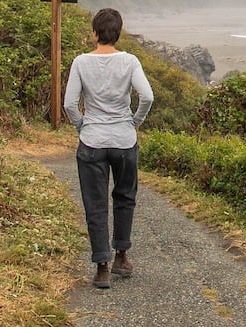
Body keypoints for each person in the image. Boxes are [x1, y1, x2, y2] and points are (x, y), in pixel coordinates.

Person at [64, 8, 153, 289]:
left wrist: (83, 126)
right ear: (118, 33)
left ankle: (101, 267)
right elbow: (147, 97)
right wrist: (133, 122)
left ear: (94, 33)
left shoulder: (81, 62)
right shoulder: (130, 61)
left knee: (96, 203)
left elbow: (68, 104)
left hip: (92, 141)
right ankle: (121, 257)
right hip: (124, 140)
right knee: (125, 197)